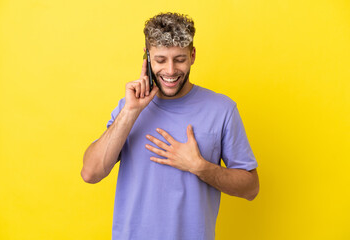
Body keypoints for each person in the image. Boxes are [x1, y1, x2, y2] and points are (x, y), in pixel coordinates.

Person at [81, 12, 259, 240]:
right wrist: (131, 111)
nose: (171, 70)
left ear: (192, 55)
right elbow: (90, 173)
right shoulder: (128, 108)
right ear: (146, 58)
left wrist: (200, 167)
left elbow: (251, 188)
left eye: (180, 59)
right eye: (160, 60)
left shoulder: (222, 109)